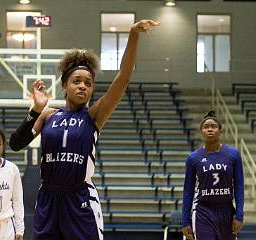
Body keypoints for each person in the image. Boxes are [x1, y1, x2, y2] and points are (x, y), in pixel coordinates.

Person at [9, 20, 160, 240]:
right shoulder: (48, 114)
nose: (82, 86)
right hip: (48, 199)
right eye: (76, 81)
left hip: (79, 199)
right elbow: (15, 144)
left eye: (88, 83)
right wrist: (35, 110)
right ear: (64, 86)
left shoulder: (93, 115)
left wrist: (133, 34)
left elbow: (124, 77)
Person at [182, 110, 244, 240]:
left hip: (227, 211)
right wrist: (185, 221)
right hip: (203, 212)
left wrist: (239, 215)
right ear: (201, 132)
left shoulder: (233, 155)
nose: (210, 129)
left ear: (220, 131)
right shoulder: (193, 158)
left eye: (213, 127)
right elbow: (188, 191)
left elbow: (239, 187)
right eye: (206, 127)